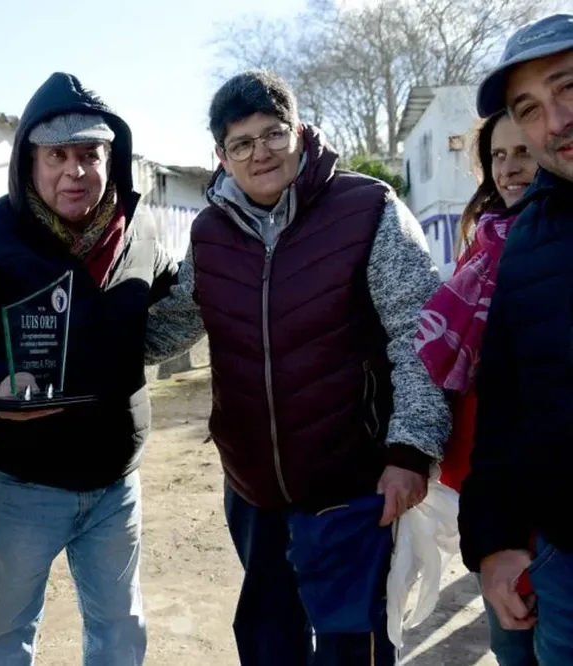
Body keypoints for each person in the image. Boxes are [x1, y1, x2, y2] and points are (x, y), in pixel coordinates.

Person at [145, 70, 451, 665]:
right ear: (222, 155)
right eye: (241, 143)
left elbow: (418, 332)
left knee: (348, 645)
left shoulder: (367, 208)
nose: (260, 153)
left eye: (272, 134)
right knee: (267, 637)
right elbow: (175, 322)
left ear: (300, 132)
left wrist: (412, 449)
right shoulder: (210, 232)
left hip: (351, 485)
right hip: (253, 486)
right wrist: (86, 336)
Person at [0, 72, 178, 666]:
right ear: (30, 161)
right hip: (24, 481)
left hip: (114, 479)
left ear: (111, 157)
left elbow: (167, 311)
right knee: (7, 632)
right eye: (58, 155)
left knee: (119, 628)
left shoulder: (141, 230)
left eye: (90, 154)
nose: (76, 171)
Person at [458, 13, 573, 665]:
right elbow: (502, 404)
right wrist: (494, 539)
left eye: (569, 88)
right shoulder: (523, 239)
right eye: (529, 108)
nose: (554, 122)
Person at [415, 109, 539, 666]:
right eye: (499, 156)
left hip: (546, 474)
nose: (511, 168)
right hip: (485, 472)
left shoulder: (548, 244)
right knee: (510, 639)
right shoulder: (483, 243)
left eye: (524, 152)